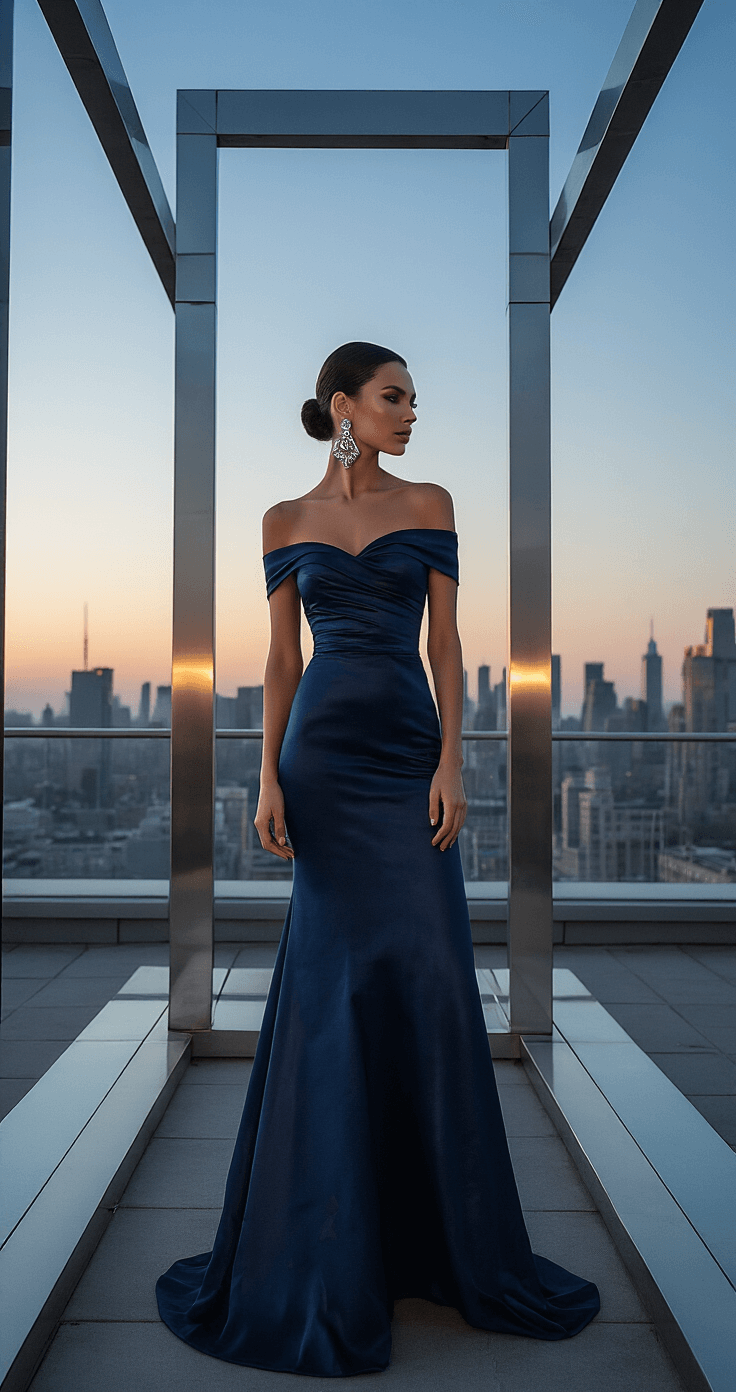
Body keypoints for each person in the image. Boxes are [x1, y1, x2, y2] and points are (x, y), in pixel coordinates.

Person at [156, 341, 600, 1376]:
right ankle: (323, 1240)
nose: (410, 413)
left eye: (412, 398)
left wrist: (454, 758)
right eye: (394, 397)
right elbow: (277, 659)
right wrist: (265, 778)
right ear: (341, 405)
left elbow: (447, 647)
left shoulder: (432, 502)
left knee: (433, 971)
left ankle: (442, 1237)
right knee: (330, 984)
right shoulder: (281, 523)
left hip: (406, 757)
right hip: (318, 760)